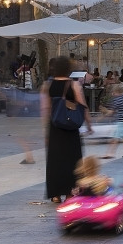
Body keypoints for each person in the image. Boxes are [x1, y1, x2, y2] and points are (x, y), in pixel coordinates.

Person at [41, 56, 87, 205]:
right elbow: (82, 106)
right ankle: (69, 193)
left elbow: (45, 109)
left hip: (54, 127)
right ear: (68, 69)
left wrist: (46, 130)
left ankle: (55, 194)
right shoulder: (74, 85)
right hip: (71, 128)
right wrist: (90, 125)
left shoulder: (47, 85)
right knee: (72, 161)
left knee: (55, 161)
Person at [102, 78, 123, 159]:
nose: (112, 94)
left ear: (117, 92)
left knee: (115, 137)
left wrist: (105, 112)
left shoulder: (117, 100)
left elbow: (111, 112)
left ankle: (110, 153)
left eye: (114, 93)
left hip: (122, 120)